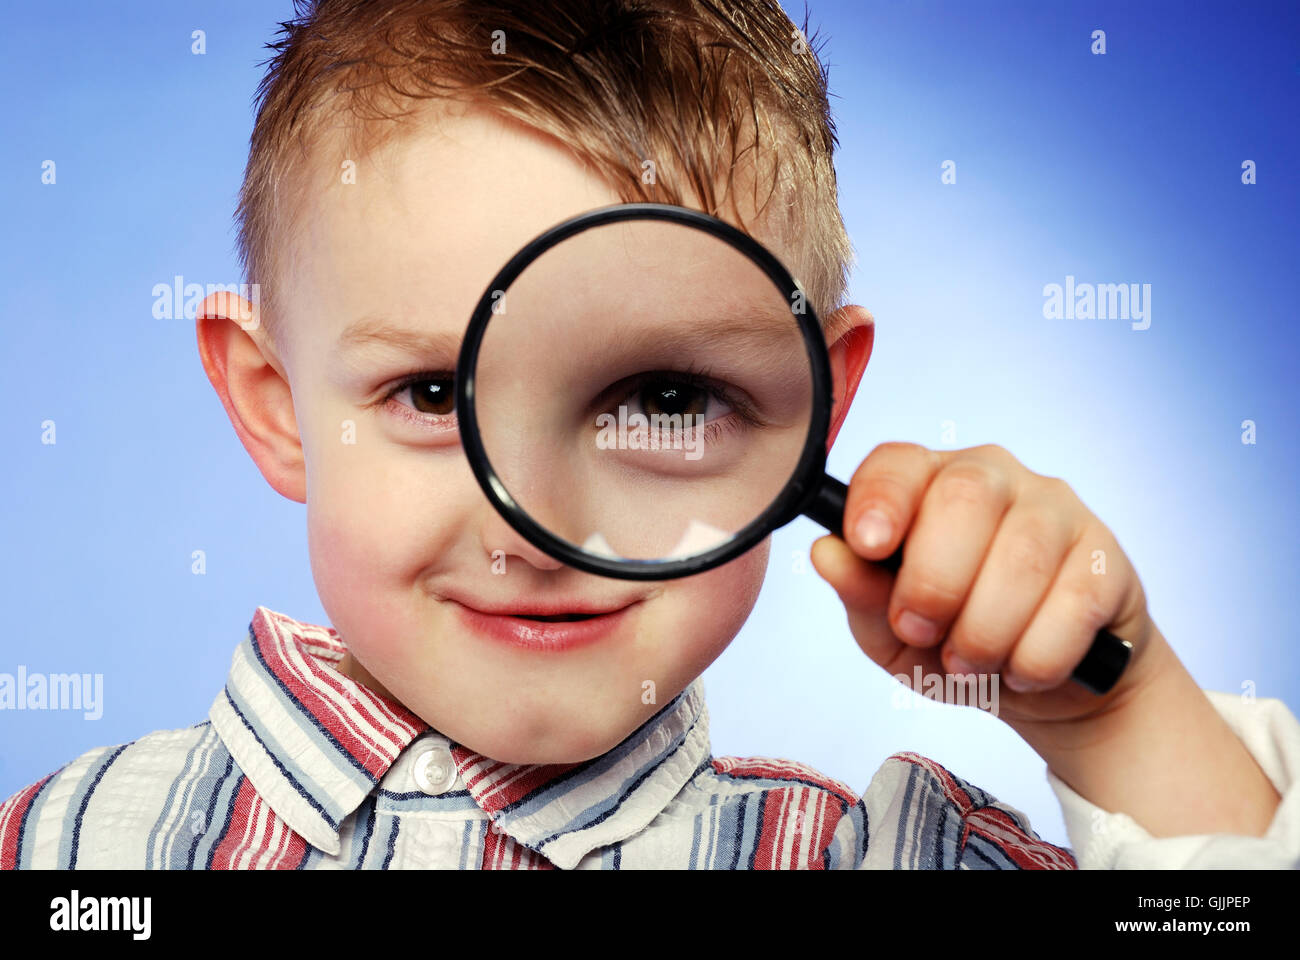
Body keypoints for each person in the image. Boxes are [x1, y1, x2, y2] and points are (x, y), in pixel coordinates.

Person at [2, 0, 1296, 870]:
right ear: (275, 406)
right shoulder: (65, 847)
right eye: (436, 397)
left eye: (666, 401)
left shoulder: (885, 855)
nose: (545, 522)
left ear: (810, 415)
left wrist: (1117, 725)